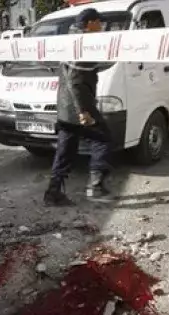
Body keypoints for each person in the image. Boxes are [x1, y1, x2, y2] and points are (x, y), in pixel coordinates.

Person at [43, 8, 113, 207]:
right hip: (79, 109)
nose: (102, 26)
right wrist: (83, 111)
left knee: (65, 152)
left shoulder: (69, 41)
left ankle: (53, 193)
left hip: (65, 110)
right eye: (99, 22)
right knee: (103, 140)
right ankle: (96, 186)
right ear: (90, 23)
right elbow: (75, 82)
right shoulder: (84, 45)